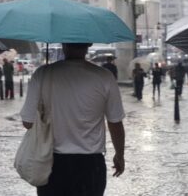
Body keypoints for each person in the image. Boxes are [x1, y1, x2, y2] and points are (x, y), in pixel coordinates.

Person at [20, 43, 125, 196]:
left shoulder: (43, 74)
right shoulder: (104, 77)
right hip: (91, 165)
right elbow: (115, 122)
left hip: (52, 164)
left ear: (63, 45)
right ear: (88, 45)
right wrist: (119, 155)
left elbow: (27, 123)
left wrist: (45, 107)